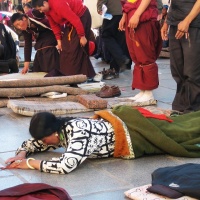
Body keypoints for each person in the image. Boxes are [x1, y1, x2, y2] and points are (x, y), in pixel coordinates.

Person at [2, 105, 200, 174]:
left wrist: (29, 164)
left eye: (45, 140)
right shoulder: (60, 129)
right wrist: (21, 153)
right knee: (181, 126)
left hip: (133, 134)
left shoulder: (78, 132)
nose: (44, 144)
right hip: (121, 125)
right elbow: (33, 143)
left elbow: (66, 165)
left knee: (183, 132)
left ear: (53, 133)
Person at [31, 0, 96, 79]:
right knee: (64, 47)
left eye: (40, 9)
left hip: (81, 16)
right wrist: (59, 40)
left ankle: (79, 74)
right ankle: (67, 73)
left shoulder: (58, 4)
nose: (41, 11)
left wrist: (82, 36)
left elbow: (75, 19)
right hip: (71, 22)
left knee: (75, 47)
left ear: (44, 3)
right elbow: (54, 25)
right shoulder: (47, 10)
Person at [119, 0, 162, 102]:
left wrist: (137, 15)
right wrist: (124, 15)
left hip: (143, 17)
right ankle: (143, 90)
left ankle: (149, 92)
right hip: (132, 15)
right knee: (136, 55)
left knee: (145, 54)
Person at [161, 0, 200, 113]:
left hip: (193, 24)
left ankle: (193, 110)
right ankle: (180, 107)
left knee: (192, 72)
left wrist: (187, 21)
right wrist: (167, 22)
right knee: (177, 70)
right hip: (174, 23)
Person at [10, 10, 60, 74]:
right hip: (41, 39)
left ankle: (51, 72)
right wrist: (26, 65)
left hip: (53, 33)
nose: (19, 27)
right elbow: (28, 44)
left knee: (46, 48)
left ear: (24, 18)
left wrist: (59, 40)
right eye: (17, 26)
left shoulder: (34, 13)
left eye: (18, 24)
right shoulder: (25, 29)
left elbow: (44, 9)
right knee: (39, 48)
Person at [97, 0, 132, 80]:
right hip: (125, 13)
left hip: (111, 13)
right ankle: (115, 69)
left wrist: (99, 7)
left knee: (106, 36)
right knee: (120, 40)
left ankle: (121, 59)